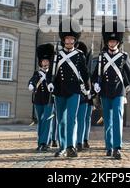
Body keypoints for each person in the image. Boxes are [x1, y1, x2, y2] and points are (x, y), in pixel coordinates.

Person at [92, 20, 130, 159]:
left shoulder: (124, 57)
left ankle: (117, 147)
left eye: (114, 41)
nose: (112, 43)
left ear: (118, 42)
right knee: (107, 120)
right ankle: (109, 145)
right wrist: (95, 84)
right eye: (110, 41)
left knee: (117, 119)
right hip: (105, 91)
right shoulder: (101, 57)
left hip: (119, 91)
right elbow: (95, 74)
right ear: (107, 42)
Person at [46, 19, 90, 158]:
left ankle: (71, 146)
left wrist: (87, 87)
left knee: (72, 118)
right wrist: (49, 83)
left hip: (74, 90)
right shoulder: (57, 55)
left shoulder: (79, 55)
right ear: (63, 40)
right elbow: (50, 73)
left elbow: (84, 72)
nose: (69, 41)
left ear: (75, 40)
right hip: (59, 90)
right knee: (61, 120)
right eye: (67, 39)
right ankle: (62, 147)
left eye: (72, 39)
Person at [28, 43, 54, 152]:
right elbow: (33, 80)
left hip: (49, 101)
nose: (45, 63)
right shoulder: (37, 73)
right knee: (40, 121)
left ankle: (44, 142)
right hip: (38, 100)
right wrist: (31, 84)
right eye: (43, 61)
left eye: (47, 61)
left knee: (46, 120)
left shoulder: (52, 74)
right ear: (40, 62)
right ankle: (42, 142)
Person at [75, 41, 92, 152]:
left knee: (84, 119)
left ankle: (82, 140)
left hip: (86, 96)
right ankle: (74, 141)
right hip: (74, 94)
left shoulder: (88, 67)